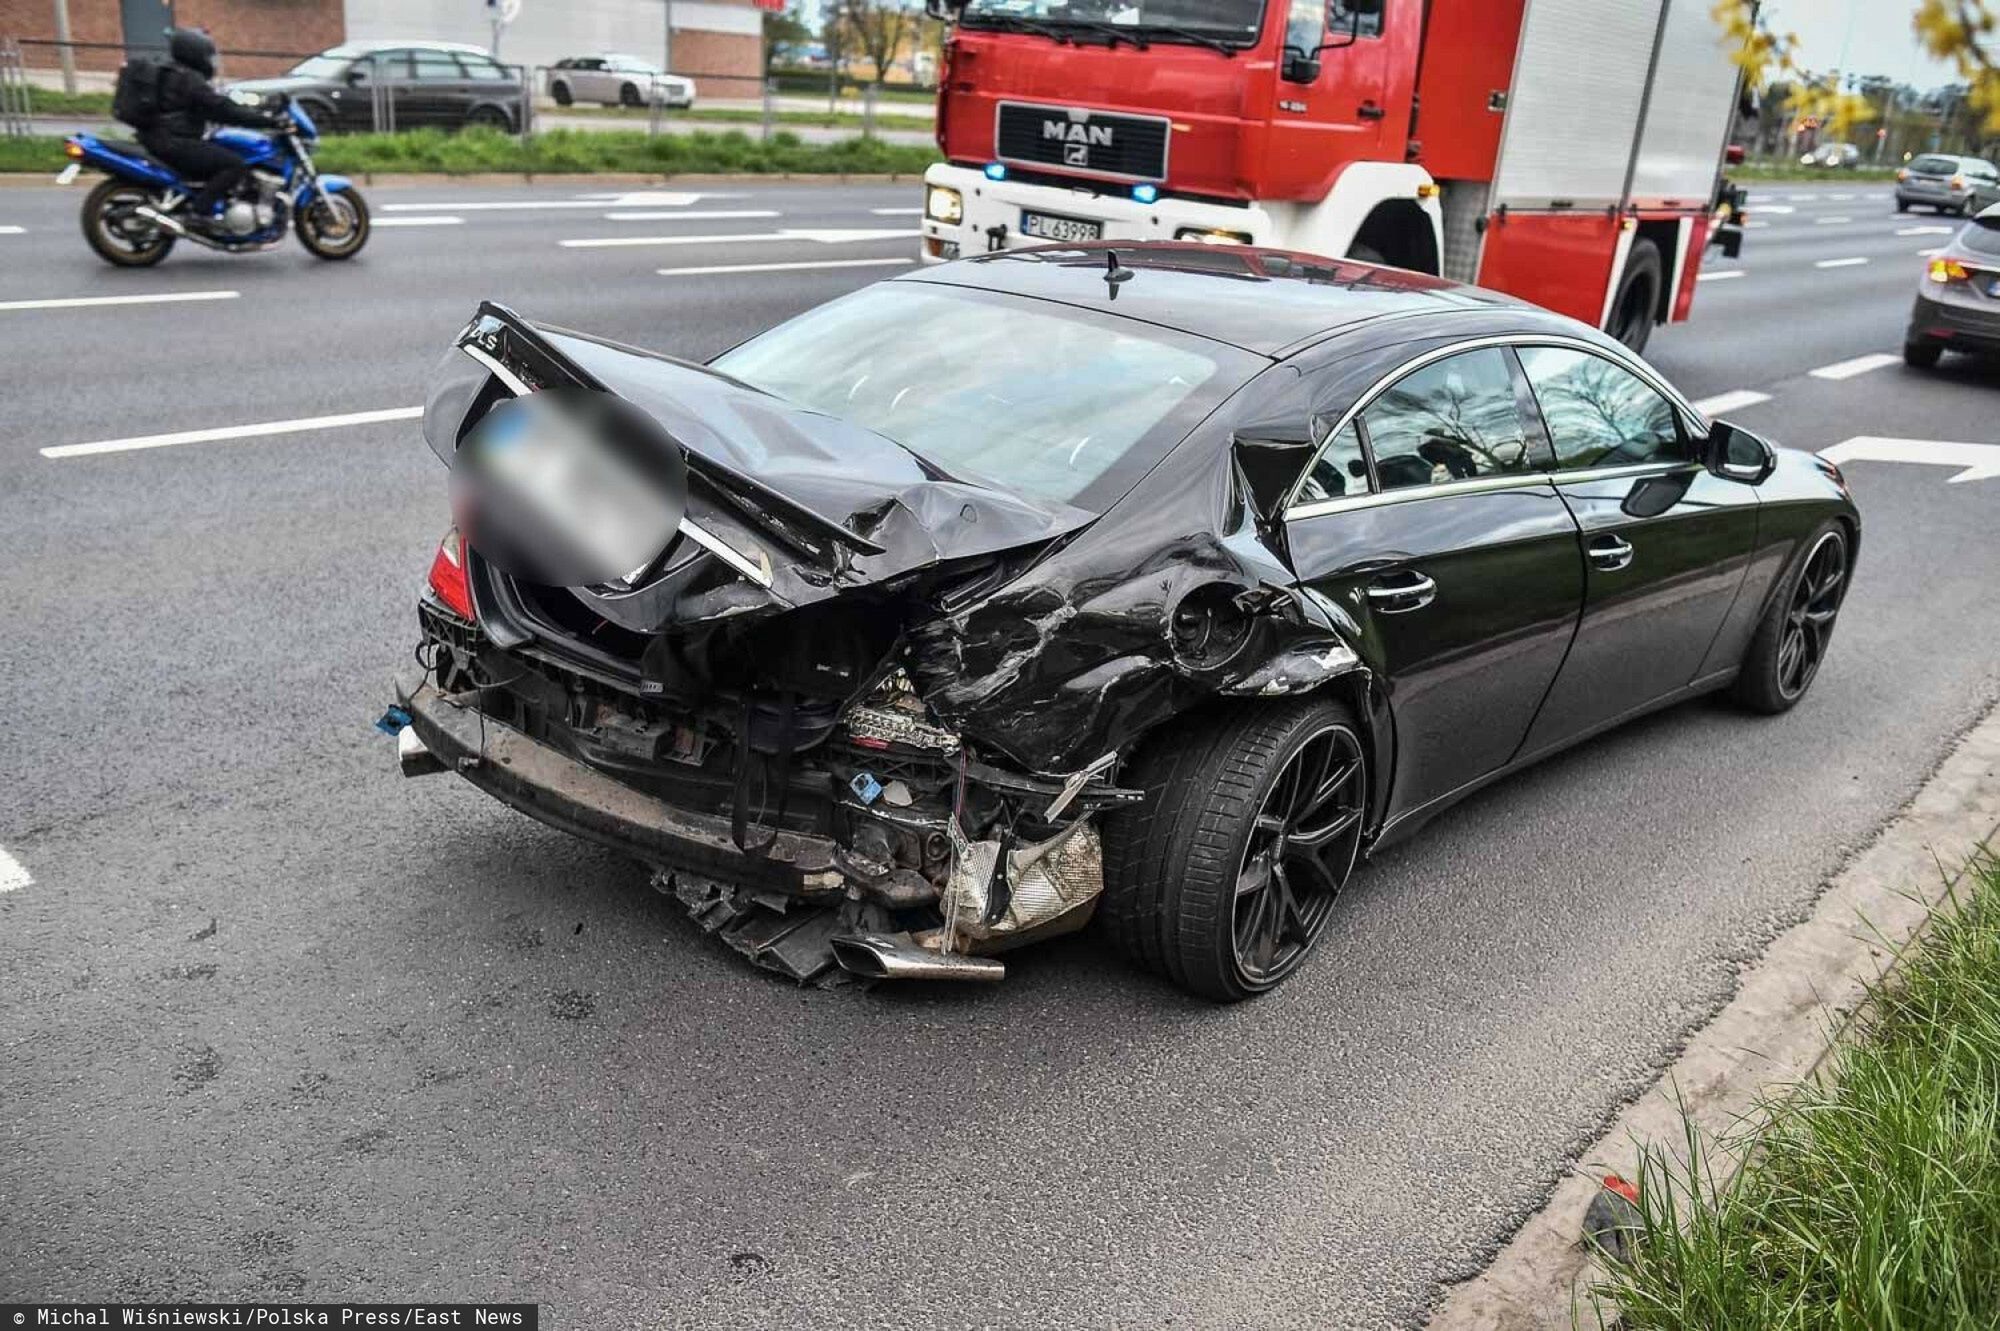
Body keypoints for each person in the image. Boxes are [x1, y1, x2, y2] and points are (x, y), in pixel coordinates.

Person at [137, 28, 282, 230]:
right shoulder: (190, 79)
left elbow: (211, 108)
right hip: (175, 141)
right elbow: (221, 109)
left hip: (158, 138)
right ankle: (199, 212)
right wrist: (268, 121)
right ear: (194, 53)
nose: (210, 60)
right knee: (234, 165)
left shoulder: (171, 72)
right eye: (207, 55)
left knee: (215, 155)